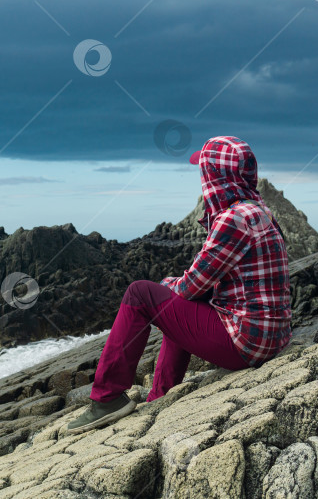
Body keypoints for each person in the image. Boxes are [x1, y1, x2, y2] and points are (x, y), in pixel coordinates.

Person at [66, 136, 292, 435]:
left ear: (215, 175)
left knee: (139, 293)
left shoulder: (233, 219)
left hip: (247, 344)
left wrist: (164, 285)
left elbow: (189, 288)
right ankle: (160, 395)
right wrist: (173, 291)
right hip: (272, 337)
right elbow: (198, 290)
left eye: (203, 170)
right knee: (177, 306)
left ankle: (106, 398)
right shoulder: (259, 212)